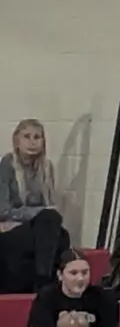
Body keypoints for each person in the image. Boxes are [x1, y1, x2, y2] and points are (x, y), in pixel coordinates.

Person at [0, 119, 70, 294]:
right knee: (50, 218)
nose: (32, 141)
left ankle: (45, 281)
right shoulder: (7, 164)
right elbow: (3, 210)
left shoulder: (46, 168)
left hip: (36, 230)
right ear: (16, 140)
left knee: (62, 233)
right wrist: (40, 212)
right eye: (27, 136)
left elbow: (49, 207)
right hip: (11, 229)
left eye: (37, 137)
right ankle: (44, 281)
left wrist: (43, 213)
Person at [27, 249, 120, 327]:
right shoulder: (47, 297)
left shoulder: (101, 297)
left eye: (85, 273)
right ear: (60, 275)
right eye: (73, 273)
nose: (80, 278)